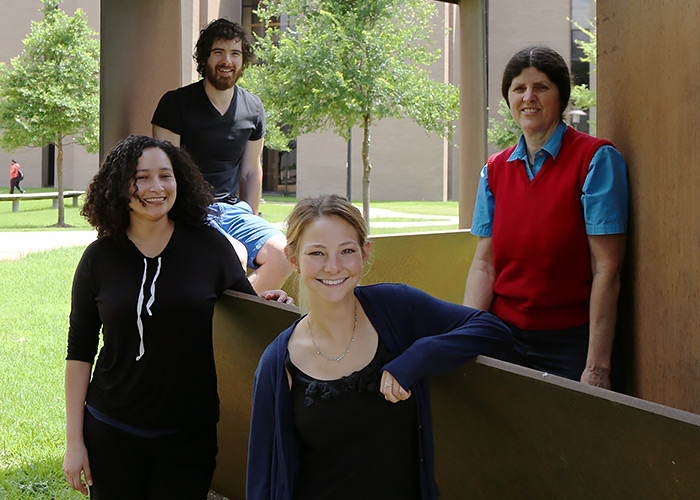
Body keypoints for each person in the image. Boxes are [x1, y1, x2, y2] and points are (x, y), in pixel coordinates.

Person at [62, 135, 291, 499]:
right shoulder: (98, 258)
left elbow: (243, 311)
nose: (156, 187)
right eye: (142, 177)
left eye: (165, 176)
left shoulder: (209, 247)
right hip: (111, 427)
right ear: (120, 185)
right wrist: (75, 442)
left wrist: (270, 300)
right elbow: (79, 352)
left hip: (189, 433)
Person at [246, 194, 511, 499]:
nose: (333, 267)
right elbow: (262, 480)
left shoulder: (397, 308)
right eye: (317, 253)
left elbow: (492, 330)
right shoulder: (277, 364)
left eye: (346, 250)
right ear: (293, 259)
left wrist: (414, 359)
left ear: (364, 252)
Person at [463, 46, 628, 389]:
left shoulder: (596, 160)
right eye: (519, 88)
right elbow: (484, 264)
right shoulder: (494, 170)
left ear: (562, 97)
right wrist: (470, 335)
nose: (529, 97)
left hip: (570, 344)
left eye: (541, 87)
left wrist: (596, 367)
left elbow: (607, 269)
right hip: (503, 335)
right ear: (508, 98)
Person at [152, 18, 290, 293]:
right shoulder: (175, 104)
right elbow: (164, 170)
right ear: (204, 58)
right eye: (218, 52)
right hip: (191, 211)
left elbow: (251, 171)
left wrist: (251, 215)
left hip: (233, 211)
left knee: (285, 253)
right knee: (233, 255)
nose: (227, 60)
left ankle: (235, 322)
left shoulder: (253, 108)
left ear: (243, 60)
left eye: (235, 53)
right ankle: (223, 328)